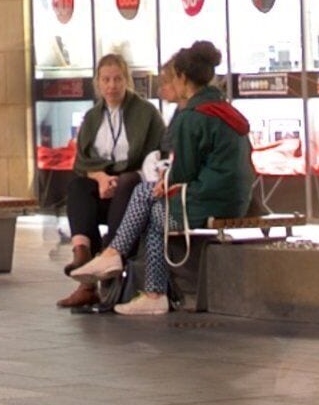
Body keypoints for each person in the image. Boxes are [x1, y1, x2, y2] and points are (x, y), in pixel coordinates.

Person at [77, 43, 252, 316]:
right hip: (235, 199)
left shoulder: (193, 116)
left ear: (183, 78)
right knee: (149, 198)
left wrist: (164, 182)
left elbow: (183, 170)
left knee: (154, 211)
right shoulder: (220, 107)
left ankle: (136, 276)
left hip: (208, 200)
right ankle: (121, 263)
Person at [54, 53, 165, 305]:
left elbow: (157, 156)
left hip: (134, 188)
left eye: (117, 79)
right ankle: (82, 255)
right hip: (103, 185)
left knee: (126, 182)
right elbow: (82, 161)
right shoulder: (93, 117)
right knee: (79, 187)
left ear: (126, 80)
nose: (111, 86)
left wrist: (124, 177)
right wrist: (101, 177)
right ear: (98, 82)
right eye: (106, 80)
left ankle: (107, 257)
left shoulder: (146, 113)